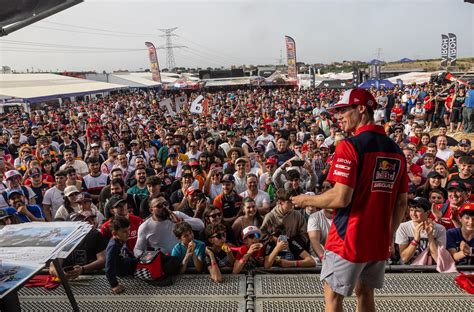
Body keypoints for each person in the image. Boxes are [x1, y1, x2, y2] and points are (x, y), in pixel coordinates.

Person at [291, 88, 408, 312]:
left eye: (344, 110)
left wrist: (306, 199)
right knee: (365, 293)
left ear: (361, 109)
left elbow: (341, 197)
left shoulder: (349, 146)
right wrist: (389, 236)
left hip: (349, 238)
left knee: (332, 295)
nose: (339, 116)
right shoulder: (397, 151)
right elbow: (401, 203)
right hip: (378, 239)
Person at [133, 193, 205, 257]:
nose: (164, 207)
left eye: (165, 203)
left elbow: (200, 225)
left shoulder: (177, 214)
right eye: (159, 206)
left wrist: (180, 221)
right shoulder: (145, 227)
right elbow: (138, 249)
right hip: (164, 264)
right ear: (151, 210)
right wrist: (149, 257)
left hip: (185, 259)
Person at [395, 197, 446, 264]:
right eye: (411, 210)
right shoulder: (403, 227)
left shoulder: (440, 229)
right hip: (409, 270)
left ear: (427, 213)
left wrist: (430, 236)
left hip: (431, 271)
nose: (413, 213)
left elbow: (439, 260)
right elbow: (404, 258)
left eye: (417, 211)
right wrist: (416, 239)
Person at [105, 216, 138, 294]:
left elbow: (126, 251)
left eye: (129, 230)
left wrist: (135, 259)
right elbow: (108, 268)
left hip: (130, 264)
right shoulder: (113, 246)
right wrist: (114, 285)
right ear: (114, 233)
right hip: (124, 271)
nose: (128, 233)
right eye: (124, 231)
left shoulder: (121, 239)